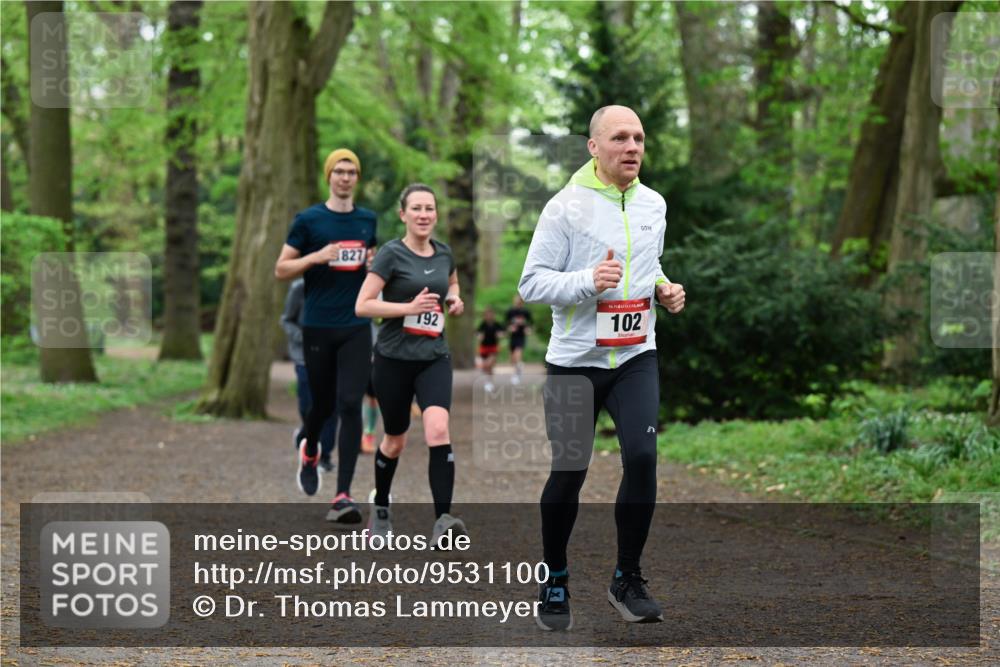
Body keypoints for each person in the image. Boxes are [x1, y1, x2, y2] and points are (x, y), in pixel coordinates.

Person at [518, 106, 686, 630]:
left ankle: (626, 578)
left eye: (638, 138)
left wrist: (663, 287)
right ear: (594, 147)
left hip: (636, 355)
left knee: (642, 455)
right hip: (574, 363)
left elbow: (647, 263)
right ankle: (555, 578)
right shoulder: (564, 208)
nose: (632, 146)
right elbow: (532, 282)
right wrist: (587, 281)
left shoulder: (654, 204)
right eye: (619, 138)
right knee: (569, 472)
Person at [355, 183, 467, 548]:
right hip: (393, 360)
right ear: (403, 214)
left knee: (438, 428)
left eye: (429, 209)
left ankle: (443, 520)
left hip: (433, 357)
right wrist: (407, 308)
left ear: (436, 214)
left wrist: (454, 299)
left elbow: (451, 283)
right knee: (395, 440)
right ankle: (382, 506)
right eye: (416, 208)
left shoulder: (444, 253)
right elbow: (364, 305)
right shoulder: (390, 255)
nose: (423, 215)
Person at [274, 148, 377, 525]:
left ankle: (343, 496)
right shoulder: (309, 220)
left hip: (355, 326)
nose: (346, 177)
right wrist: (315, 257)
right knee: (321, 406)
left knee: (350, 404)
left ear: (357, 178)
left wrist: (372, 264)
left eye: (352, 171)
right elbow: (281, 268)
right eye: (339, 171)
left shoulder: (367, 220)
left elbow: (372, 265)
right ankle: (311, 449)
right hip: (317, 325)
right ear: (329, 176)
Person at [280, 277, 336, 472]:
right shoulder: (299, 287)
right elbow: (286, 320)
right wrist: (302, 336)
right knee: (308, 405)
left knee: (331, 406)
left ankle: (325, 455)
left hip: (333, 355)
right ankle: (305, 432)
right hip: (304, 356)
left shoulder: (341, 288)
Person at [505, 295, 533, 384]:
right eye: (515, 301)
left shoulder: (525, 312)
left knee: (518, 354)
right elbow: (505, 324)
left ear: (522, 302)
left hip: (521, 336)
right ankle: (519, 367)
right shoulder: (510, 311)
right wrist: (509, 328)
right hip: (513, 337)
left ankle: (516, 375)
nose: (517, 303)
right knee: (512, 359)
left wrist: (528, 329)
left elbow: (531, 323)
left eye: (519, 301)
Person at [476, 306, 504, 392]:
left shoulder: (497, 324)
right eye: (487, 315)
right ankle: (488, 381)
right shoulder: (483, 324)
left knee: (489, 364)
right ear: (484, 316)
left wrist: (500, 334)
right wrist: (479, 336)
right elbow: (478, 333)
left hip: (493, 347)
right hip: (484, 347)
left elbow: (503, 332)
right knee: (486, 367)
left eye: (490, 314)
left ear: (493, 315)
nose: (488, 316)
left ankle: (489, 382)